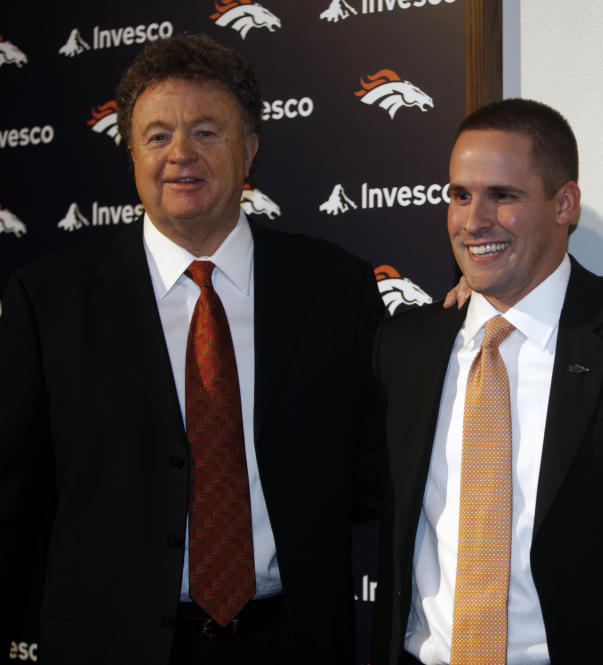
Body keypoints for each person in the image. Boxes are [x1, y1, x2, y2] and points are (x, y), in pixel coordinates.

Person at [0, 33, 383, 665]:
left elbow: (376, 473)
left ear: (249, 150)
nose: (180, 154)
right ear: (131, 155)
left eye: (207, 131)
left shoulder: (336, 289)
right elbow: (13, 495)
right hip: (112, 644)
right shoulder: (50, 301)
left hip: (293, 640)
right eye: (157, 136)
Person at [372, 98, 603, 665]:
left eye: (502, 196)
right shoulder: (407, 347)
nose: (472, 220)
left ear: (564, 204)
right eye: (460, 195)